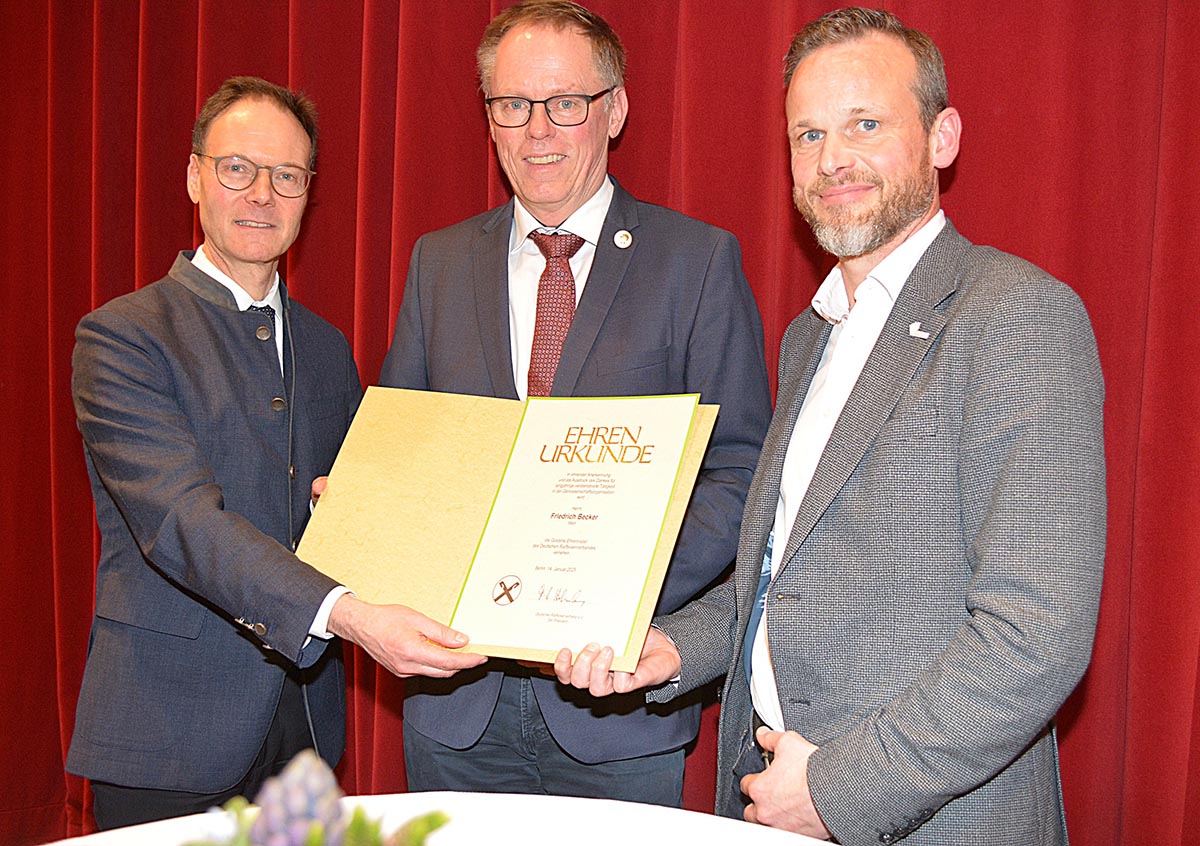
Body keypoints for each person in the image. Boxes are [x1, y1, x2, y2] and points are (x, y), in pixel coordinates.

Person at [555, 8, 1106, 844]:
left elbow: (1035, 636)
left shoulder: (1018, 316)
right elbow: (777, 572)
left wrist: (838, 790)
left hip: (929, 818)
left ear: (943, 137)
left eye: (867, 124)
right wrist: (668, 649)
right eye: (808, 134)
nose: (832, 159)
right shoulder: (810, 333)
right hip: (769, 799)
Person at [379, 0, 771, 808]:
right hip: (456, 707)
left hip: (616, 705)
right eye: (512, 105)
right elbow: (404, 449)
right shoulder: (438, 263)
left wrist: (619, 593)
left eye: (565, 104)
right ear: (489, 117)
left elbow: (738, 473)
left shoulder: (697, 262)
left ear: (615, 109)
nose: (537, 132)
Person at [67, 76, 485, 830]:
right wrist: (352, 616)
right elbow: (182, 523)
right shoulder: (122, 337)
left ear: (308, 195)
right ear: (195, 175)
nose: (261, 194)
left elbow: (369, 502)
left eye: (287, 176)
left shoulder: (327, 348)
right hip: (168, 729)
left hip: (307, 733)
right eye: (237, 168)